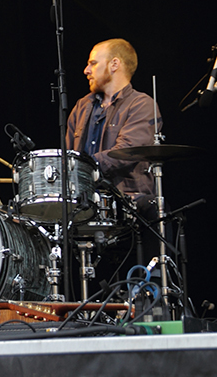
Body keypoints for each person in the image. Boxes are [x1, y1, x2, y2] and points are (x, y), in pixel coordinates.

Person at [65, 38, 162, 272]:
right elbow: (69, 156)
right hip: (83, 205)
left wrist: (84, 167)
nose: (86, 70)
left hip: (127, 205)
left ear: (114, 64)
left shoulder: (141, 104)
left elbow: (125, 152)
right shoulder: (82, 106)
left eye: (93, 63)